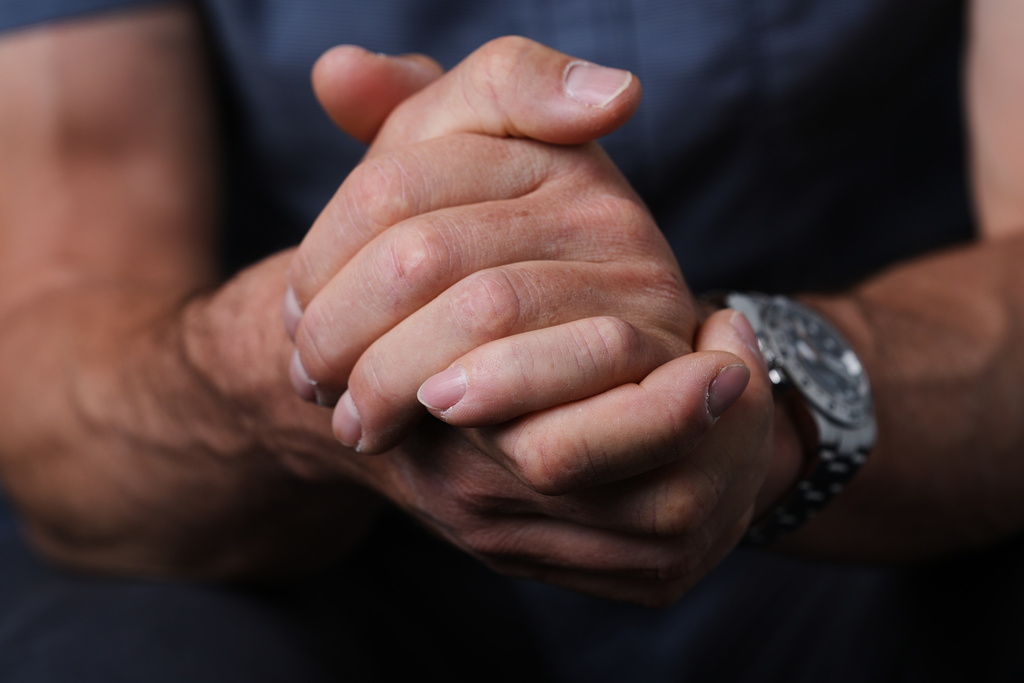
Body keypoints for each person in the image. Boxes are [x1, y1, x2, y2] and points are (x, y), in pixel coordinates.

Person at [0, 0, 1022, 680]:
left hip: (864, 510)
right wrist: (315, 351)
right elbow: (52, 345)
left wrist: (750, 388)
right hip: (336, 547)